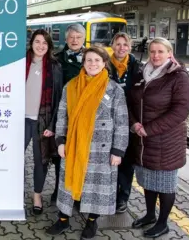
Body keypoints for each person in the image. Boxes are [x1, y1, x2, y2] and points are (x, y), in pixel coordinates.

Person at [46, 45, 129, 239]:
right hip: (73, 145)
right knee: (67, 184)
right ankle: (63, 219)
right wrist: (60, 141)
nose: (92, 64)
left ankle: (92, 221)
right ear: (83, 63)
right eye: (89, 60)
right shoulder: (71, 86)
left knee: (96, 187)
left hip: (102, 148)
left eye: (97, 60)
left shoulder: (114, 89)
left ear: (104, 64)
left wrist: (118, 150)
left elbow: (122, 122)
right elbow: (62, 116)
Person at [128, 37, 189, 238]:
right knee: (148, 182)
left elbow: (180, 111)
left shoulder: (178, 77)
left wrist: (149, 129)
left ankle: (163, 223)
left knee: (164, 185)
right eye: (152, 51)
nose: (155, 55)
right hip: (143, 140)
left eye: (160, 52)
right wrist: (134, 124)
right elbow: (130, 101)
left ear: (169, 54)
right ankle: (149, 215)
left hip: (166, 142)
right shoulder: (142, 72)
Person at [24, 29, 63, 215]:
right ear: (31, 43)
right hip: (19, 120)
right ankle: (8, 191)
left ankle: (37, 194)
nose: (40, 46)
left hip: (43, 120)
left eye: (44, 43)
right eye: (37, 41)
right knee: (13, 158)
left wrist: (52, 125)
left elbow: (58, 99)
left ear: (49, 46)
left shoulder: (55, 66)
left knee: (41, 161)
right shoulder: (21, 62)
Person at [49, 23, 86, 203]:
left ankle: (77, 194)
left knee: (81, 155)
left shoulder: (92, 58)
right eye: (71, 37)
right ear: (66, 39)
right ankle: (59, 189)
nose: (74, 40)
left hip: (85, 116)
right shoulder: (56, 59)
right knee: (60, 155)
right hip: (63, 113)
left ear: (83, 39)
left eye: (78, 37)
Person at [109, 32, 143, 214]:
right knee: (110, 159)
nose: (121, 47)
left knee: (126, 161)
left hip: (129, 120)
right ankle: (111, 194)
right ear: (112, 45)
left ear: (130, 47)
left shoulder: (137, 68)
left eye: (125, 44)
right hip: (108, 120)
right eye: (118, 44)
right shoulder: (105, 65)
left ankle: (123, 197)